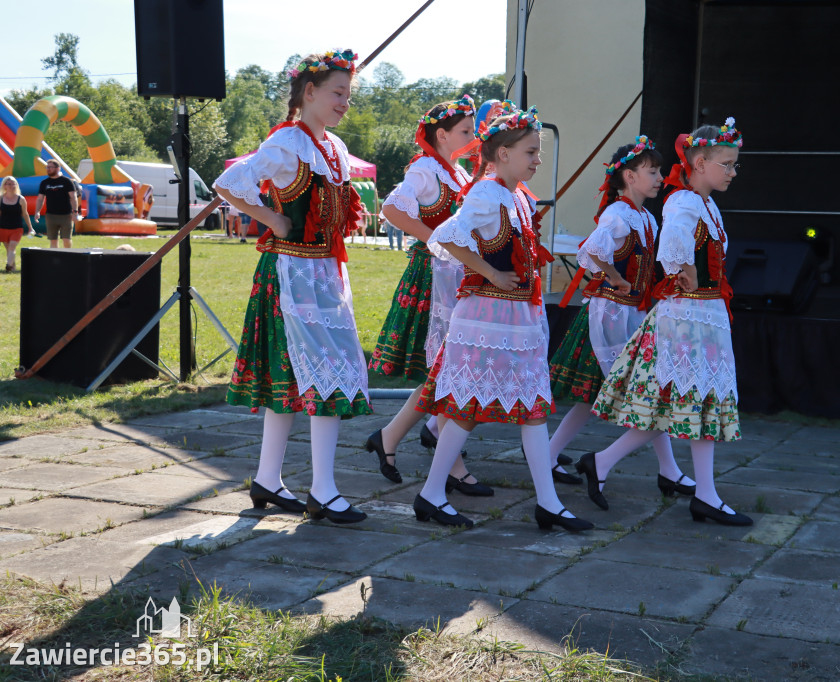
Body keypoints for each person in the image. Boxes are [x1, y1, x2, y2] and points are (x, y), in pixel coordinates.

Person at [414, 105, 593, 532]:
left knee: (531, 406)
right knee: (468, 407)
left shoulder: (514, 196)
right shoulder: (486, 193)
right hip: (487, 316)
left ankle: (546, 502)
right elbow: (447, 237)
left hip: (518, 317)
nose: (537, 160)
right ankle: (432, 493)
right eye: (530, 151)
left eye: (538, 152)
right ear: (503, 153)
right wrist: (491, 271)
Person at [214, 49, 370, 525]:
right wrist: (271, 219)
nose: (345, 102)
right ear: (309, 93)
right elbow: (228, 183)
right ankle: (322, 489)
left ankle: (268, 478)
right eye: (337, 93)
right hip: (291, 273)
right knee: (324, 370)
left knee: (299, 372)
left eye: (348, 94)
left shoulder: (334, 148)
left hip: (324, 273)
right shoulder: (287, 142)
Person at [586, 117, 751, 526]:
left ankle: (604, 463)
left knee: (688, 405)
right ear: (698, 161)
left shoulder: (706, 203)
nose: (732, 172)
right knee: (688, 402)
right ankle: (704, 495)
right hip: (686, 316)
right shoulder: (684, 201)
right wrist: (683, 269)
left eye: (734, 165)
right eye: (726, 164)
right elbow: (673, 240)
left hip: (704, 312)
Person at [548, 136, 698, 501]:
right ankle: (553, 456)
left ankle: (668, 470)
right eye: (653, 171)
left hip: (633, 312)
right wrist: (615, 277)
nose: (660, 177)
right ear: (629, 176)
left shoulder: (645, 215)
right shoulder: (617, 214)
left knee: (629, 392)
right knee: (641, 391)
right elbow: (592, 250)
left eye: (660, 171)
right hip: (610, 315)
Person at [364, 96, 492, 497]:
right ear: (441, 134)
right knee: (444, 368)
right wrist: (436, 239)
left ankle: (389, 438)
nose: (472, 138)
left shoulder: (453, 171)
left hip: (456, 276)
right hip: (432, 276)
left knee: (445, 369)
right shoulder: (424, 168)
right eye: (465, 132)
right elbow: (391, 209)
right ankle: (449, 464)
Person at [34, 160, 78, 248]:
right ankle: (55, 260)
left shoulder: (67, 181)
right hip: (51, 215)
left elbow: (73, 198)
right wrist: (37, 211)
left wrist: (75, 212)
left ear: (58, 168)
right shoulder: (44, 183)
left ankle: (68, 256)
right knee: (53, 240)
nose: (48, 169)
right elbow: (40, 199)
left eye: (50, 167)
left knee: (66, 239)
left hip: (66, 215)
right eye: (47, 167)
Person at [1, 176, 34, 272]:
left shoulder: (21, 199)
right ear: (5, 186)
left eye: (13, 183)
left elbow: (25, 214)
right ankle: (12, 267)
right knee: (8, 249)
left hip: (17, 228)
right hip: (3, 228)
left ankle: (8, 265)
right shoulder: (1, 199)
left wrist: (30, 228)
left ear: (16, 185)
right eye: (9, 184)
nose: (11, 186)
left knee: (12, 247)